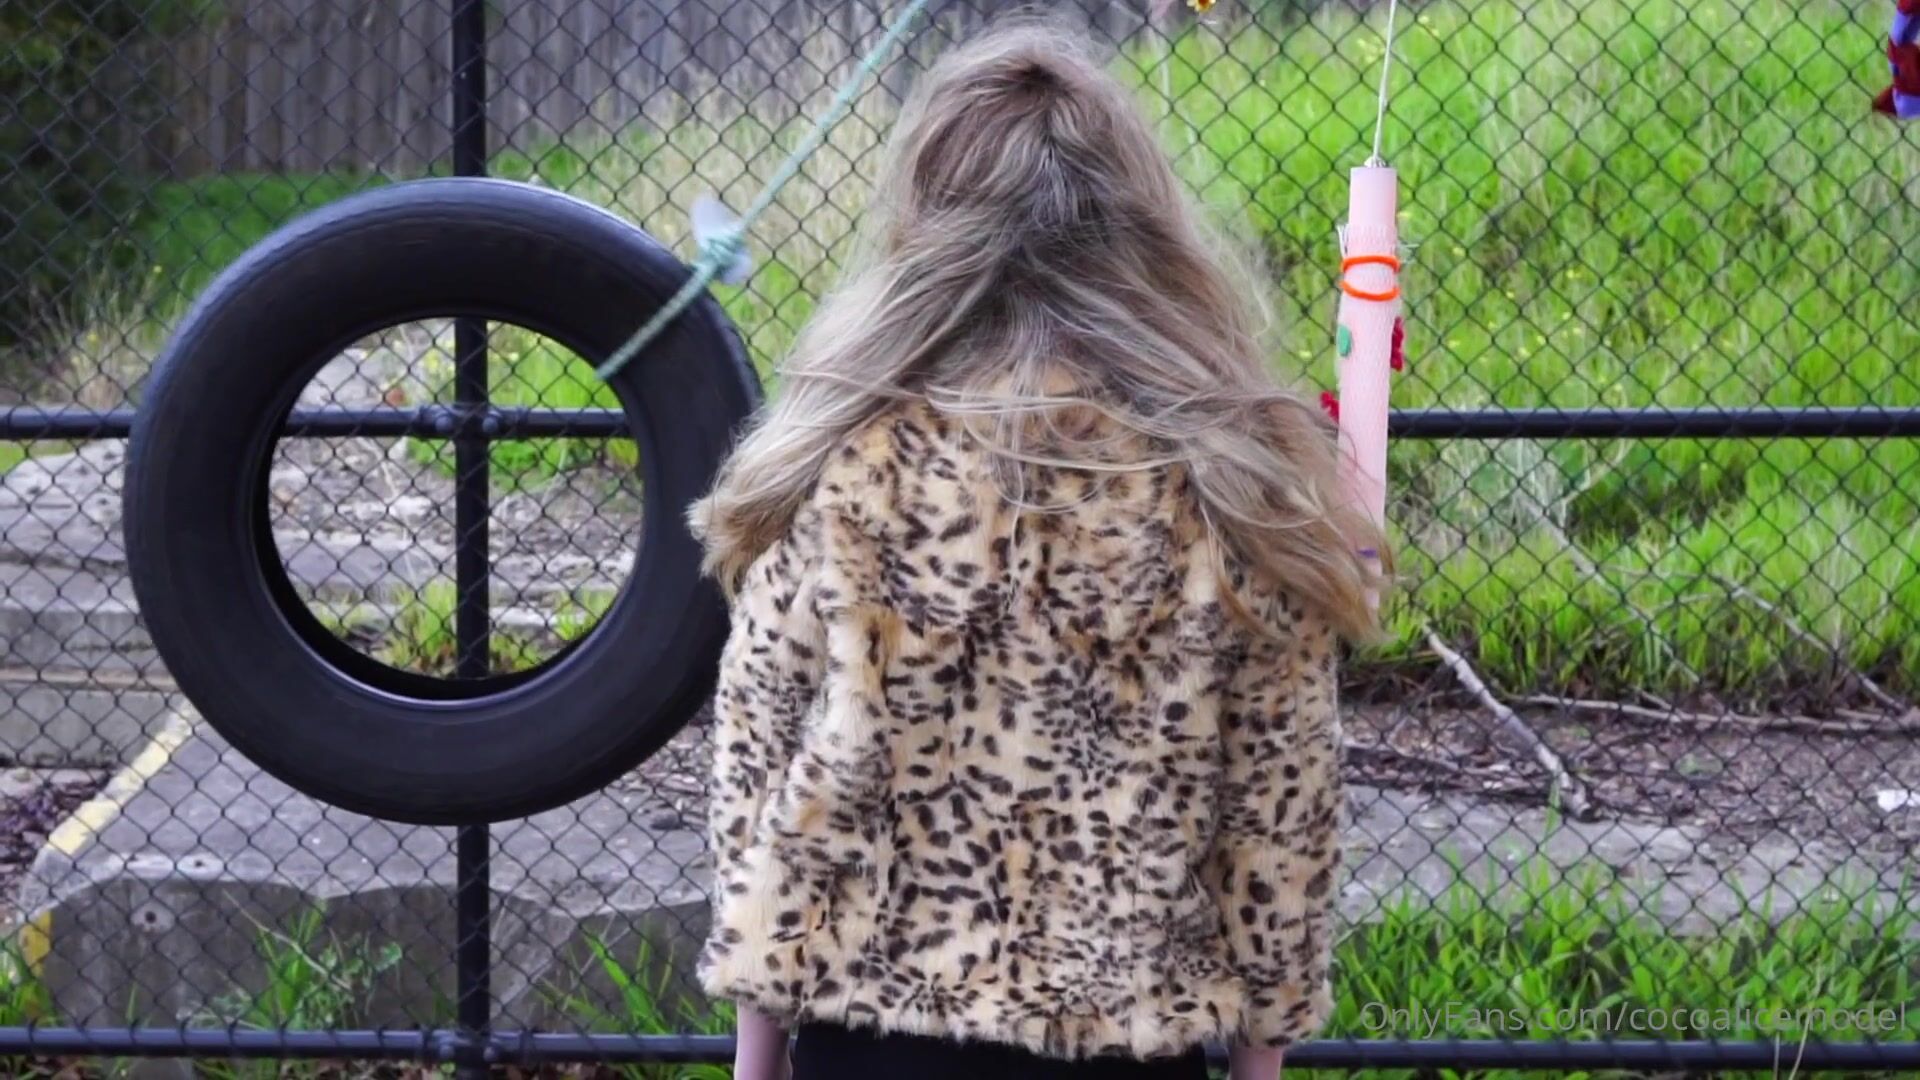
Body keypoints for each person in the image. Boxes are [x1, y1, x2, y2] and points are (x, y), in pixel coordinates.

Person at [686, 13, 1386, 1080]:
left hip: (873, 1031)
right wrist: (1261, 1056)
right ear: (1135, 217)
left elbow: (762, 772)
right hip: (1127, 1040)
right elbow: (1280, 812)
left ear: (929, 219)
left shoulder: (847, 465)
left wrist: (757, 1054)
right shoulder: (1223, 483)